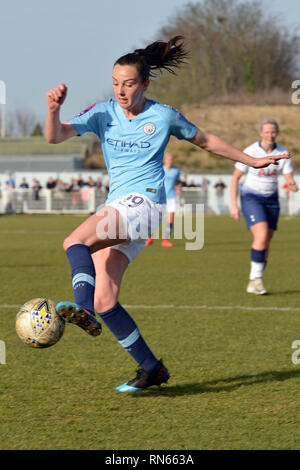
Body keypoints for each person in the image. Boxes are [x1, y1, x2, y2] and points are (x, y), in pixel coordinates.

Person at [45, 37, 288, 392]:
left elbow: (205, 141)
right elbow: (55, 137)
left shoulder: (163, 116)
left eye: (128, 83)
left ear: (145, 83)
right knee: (106, 298)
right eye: (115, 83)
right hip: (121, 207)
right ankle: (152, 368)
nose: (121, 90)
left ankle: (82, 309)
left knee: (74, 240)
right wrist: (53, 109)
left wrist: (250, 160)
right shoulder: (102, 113)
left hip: (144, 205)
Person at [230, 118, 297, 295]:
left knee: (266, 243)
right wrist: (233, 205)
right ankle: (256, 280)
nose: (270, 135)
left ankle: (255, 278)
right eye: (266, 132)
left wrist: (291, 184)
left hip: (272, 200)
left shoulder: (282, 152)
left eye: (273, 131)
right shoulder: (251, 151)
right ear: (261, 133)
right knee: (261, 235)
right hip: (252, 197)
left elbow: (288, 175)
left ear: (277, 133)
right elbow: (236, 177)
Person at [145, 152, 181, 247]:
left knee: (170, 218)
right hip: (160, 197)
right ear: (164, 160)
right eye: (168, 159)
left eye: (171, 159)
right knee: (154, 218)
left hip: (171, 197)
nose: (170, 161)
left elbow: (178, 181)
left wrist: (178, 188)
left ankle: (166, 239)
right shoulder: (159, 169)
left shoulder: (176, 171)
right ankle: (149, 238)